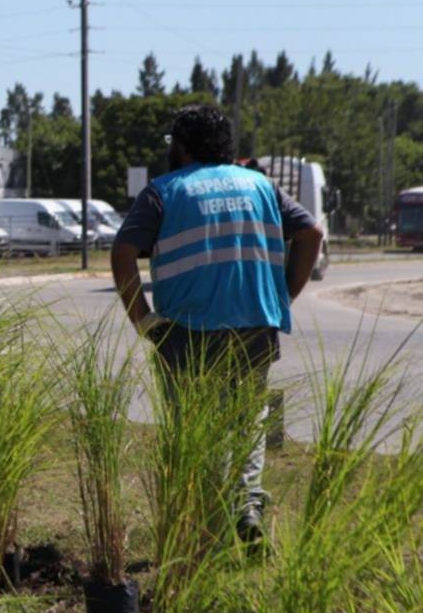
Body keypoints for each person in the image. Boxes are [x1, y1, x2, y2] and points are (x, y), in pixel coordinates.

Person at [110, 104, 324, 541]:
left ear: (183, 147)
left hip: (184, 331)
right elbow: (312, 234)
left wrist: (144, 321)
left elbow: (123, 253)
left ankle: (207, 525)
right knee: (247, 421)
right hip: (254, 325)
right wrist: (284, 295)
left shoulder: (163, 191)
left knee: (194, 427)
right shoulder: (261, 186)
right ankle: (246, 510)